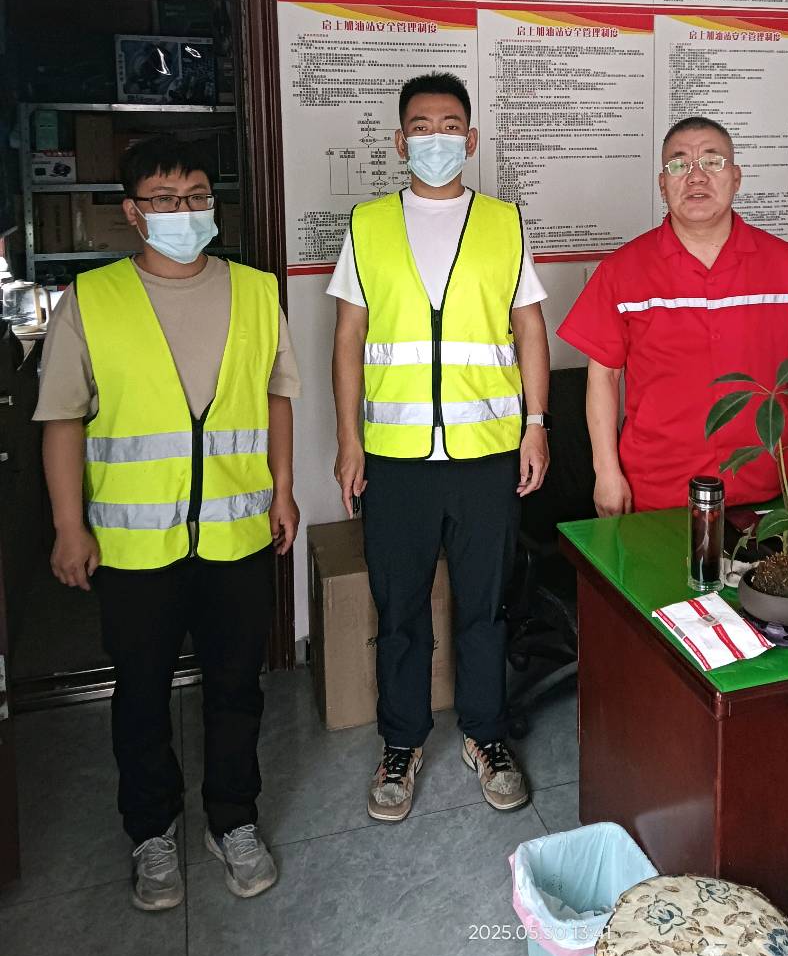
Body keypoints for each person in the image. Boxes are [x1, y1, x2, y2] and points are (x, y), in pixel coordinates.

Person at [35, 136, 300, 911]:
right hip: (133, 546)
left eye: (196, 197)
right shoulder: (92, 300)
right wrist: (68, 527)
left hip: (236, 534)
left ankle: (233, 819)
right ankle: (152, 830)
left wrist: (284, 491)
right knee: (143, 693)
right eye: (163, 199)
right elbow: (61, 420)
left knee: (236, 687)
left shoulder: (256, 291)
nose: (183, 211)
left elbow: (278, 398)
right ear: (132, 212)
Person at [329, 72, 550, 823]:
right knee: (399, 609)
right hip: (395, 458)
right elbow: (349, 338)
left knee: (485, 606)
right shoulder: (367, 225)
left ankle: (486, 735)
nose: (435, 138)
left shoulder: (503, 222)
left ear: (471, 138)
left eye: (450, 125)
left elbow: (529, 326)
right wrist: (349, 441)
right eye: (421, 126)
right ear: (400, 141)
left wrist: (537, 423)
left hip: (487, 451)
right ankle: (401, 741)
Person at [557, 116, 788, 515]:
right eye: (679, 164)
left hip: (768, 481)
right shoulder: (622, 271)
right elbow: (603, 376)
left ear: (736, 178)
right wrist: (606, 472)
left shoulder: (781, 264)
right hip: (658, 487)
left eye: (712, 161)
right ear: (663, 184)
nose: (696, 176)